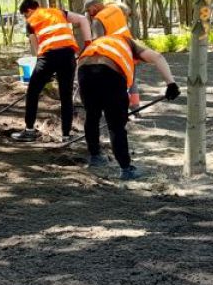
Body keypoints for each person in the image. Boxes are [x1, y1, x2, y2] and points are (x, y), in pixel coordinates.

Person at [77, 32, 180, 180]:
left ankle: (95, 157)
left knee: (92, 115)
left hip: (84, 70)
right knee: (116, 124)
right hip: (109, 72)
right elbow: (157, 57)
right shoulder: (129, 43)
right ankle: (126, 169)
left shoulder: (102, 42)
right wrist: (171, 84)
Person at [10, 0, 92, 142]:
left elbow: (37, 50)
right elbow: (83, 20)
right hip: (68, 56)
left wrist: (44, 72)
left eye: (25, 15)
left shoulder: (31, 20)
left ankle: (29, 131)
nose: (26, 18)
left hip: (48, 57)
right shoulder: (58, 12)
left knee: (32, 92)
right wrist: (88, 43)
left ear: (28, 11)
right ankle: (66, 135)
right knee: (66, 96)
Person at [83, 0, 142, 110]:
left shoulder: (98, 20)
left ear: (94, 7)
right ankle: (135, 108)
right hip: (129, 49)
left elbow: (98, 43)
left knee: (117, 83)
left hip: (115, 56)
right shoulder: (116, 8)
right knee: (132, 80)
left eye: (88, 10)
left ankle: (120, 110)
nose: (89, 14)